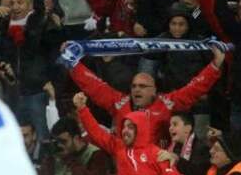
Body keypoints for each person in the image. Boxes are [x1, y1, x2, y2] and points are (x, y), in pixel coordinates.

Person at [67, 44, 225, 143]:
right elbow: (94, 86)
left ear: (154, 90)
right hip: (127, 165)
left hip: (159, 166)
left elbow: (194, 89)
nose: (137, 89)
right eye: (134, 86)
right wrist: (72, 63)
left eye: (143, 86)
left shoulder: (167, 103)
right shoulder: (119, 102)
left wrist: (215, 65)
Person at [74, 92, 184, 175]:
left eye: (131, 127)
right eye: (124, 127)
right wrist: (82, 109)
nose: (125, 131)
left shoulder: (157, 155)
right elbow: (97, 133)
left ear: (141, 129)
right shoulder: (119, 148)